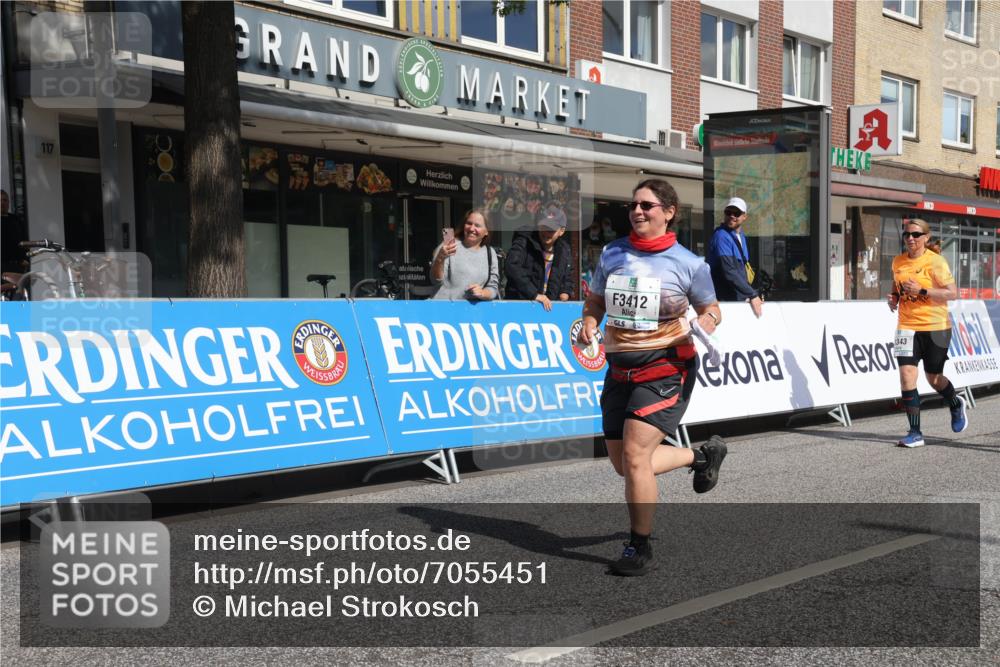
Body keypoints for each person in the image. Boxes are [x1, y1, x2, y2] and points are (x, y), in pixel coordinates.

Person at [577, 179, 727, 576]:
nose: (637, 211)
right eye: (633, 205)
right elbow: (595, 299)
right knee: (625, 464)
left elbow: (712, 308)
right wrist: (589, 321)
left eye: (647, 205)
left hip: (666, 366)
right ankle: (701, 456)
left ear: (669, 212)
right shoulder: (612, 253)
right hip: (619, 369)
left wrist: (707, 322)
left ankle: (638, 546)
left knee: (635, 456)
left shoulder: (689, 263)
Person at [887, 218, 967, 448]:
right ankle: (915, 433)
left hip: (936, 327)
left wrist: (922, 290)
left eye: (916, 234)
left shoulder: (936, 262)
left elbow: (952, 293)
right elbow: (896, 286)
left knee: (934, 379)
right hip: (906, 326)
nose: (910, 238)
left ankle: (955, 403)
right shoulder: (898, 261)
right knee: (906, 376)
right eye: (907, 234)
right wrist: (894, 298)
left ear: (926, 237)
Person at [503, 204, 573, 310]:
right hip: (520, 306)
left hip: (548, 309)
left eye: (551, 230)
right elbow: (511, 267)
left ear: (561, 231)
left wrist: (566, 291)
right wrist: (534, 294)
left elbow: (568, 276)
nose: (546, 232)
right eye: (543, 226)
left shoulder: (564, 249)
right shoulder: (524, 240)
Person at [707, 196, 763, 318]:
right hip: (724, 301)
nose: (732, 216)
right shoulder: (721, 236)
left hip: (736, 299)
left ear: (744, 216)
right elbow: (729, 271)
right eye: (728, 212)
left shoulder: (741, 236)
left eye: (736, 213)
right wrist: (752, 294)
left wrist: (748, 293)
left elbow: (742, 270)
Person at [430, 208, 499, 302]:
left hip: (471, 310)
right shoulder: (450, 243)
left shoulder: (490, 252)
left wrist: (483, 293)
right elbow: (435, 281)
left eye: (477, 225)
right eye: (469, 223)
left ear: (486, 231)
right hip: (445, 308)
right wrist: (440, 258)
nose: (471, 228)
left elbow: (493, 288)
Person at [1, 189, 28, 277]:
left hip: (16, 266)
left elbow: (24, 240)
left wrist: (25, 258)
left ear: (8, 202)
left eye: (5, 200)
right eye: (0, 200)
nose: (2, 203)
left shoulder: (16, 220)